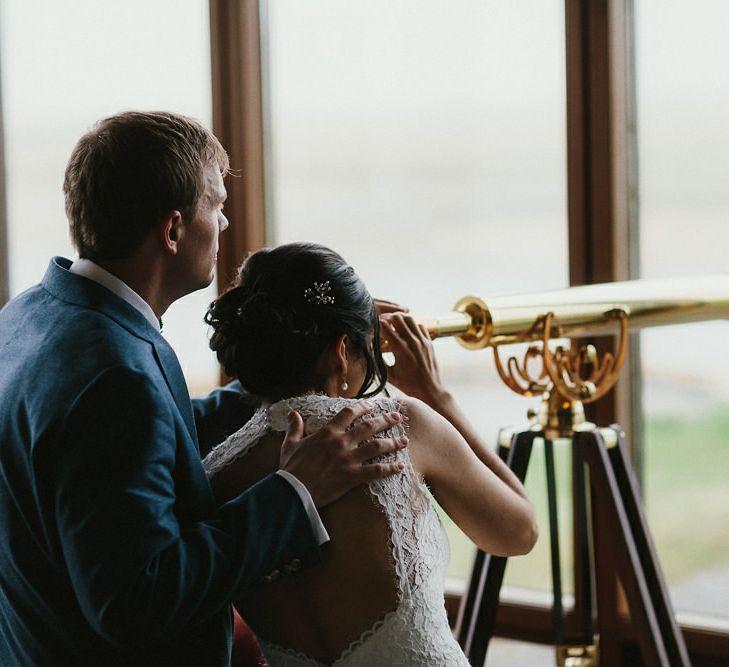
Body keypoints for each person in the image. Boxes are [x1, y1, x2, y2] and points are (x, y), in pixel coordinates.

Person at [0, 111, 409, 666]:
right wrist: (295, 491)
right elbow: (134, 600)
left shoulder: (32, 315)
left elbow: (136, 446)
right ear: (172, 230)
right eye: (215, 206)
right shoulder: (116, 374)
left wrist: (300, 368)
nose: (224, 225)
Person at [202, 242, 539, 666]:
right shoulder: (400, 427)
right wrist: (435, 395)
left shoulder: (215, 476)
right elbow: (516, 531)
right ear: (342, 352)